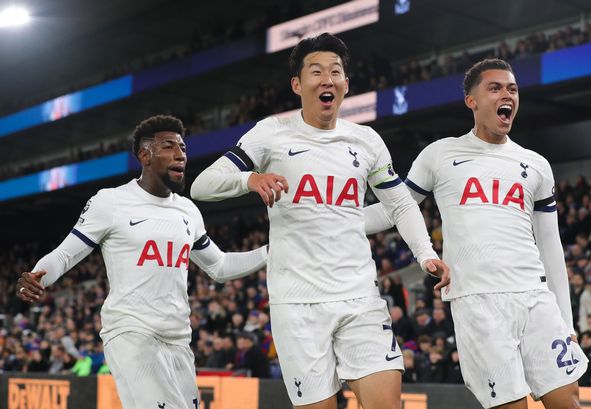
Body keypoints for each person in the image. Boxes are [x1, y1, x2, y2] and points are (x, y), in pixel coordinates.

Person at [190, 33, 449, 409]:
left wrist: (425, 253)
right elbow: (203, 185)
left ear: (345, 84)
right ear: (297, 84)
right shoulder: (271, 134)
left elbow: (400, 204)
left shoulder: (367, 141)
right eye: (316, 72)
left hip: (360, 296)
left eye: (336, 72)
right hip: (297, 305)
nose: (327, 79)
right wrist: (249, 178)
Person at [363, 58, 588, 408]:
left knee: (568, 401)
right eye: (495, 88)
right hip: (478, 302)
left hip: (535, 298)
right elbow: (395, 208)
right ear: (472, 100)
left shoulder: (536, 165)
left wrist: (567, 321)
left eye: (512, 89)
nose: (507, 95)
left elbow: (550, 245)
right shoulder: (440, 155)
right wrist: (333, 220)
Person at [16, 115, 268, 409]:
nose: (180, 155)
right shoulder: (111, 202)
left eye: (183, 148)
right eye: (169, 147)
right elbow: (65, 254)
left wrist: (272, 252)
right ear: (144, 155)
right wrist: (36, 276)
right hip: (131, 333)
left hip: (177, 338)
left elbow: (220, 266)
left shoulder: (188, 211)